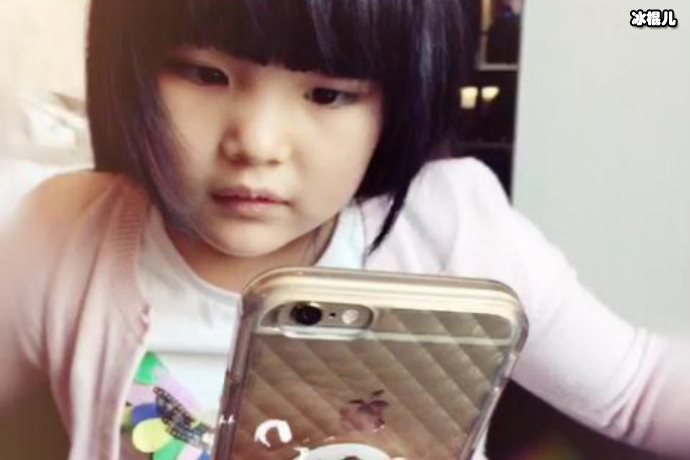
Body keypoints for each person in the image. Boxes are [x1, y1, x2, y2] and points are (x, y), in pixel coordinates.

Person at [1, 1, 688, 459]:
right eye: (205, 75)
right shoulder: (63, 234)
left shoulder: (450, 227)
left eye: (328, 94)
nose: (257, 143)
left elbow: (638, 393)